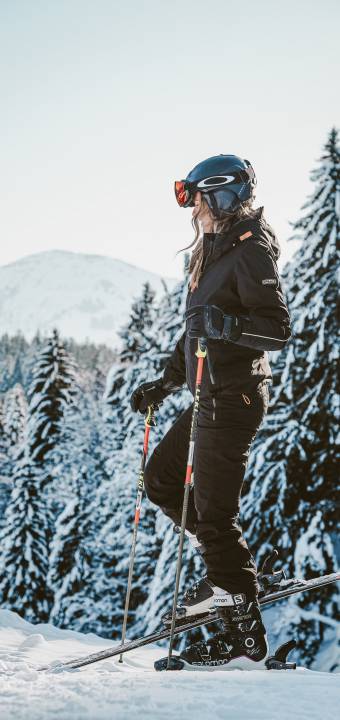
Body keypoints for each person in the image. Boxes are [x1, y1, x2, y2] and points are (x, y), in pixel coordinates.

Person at [130, 154, 291, 669]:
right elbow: (198, 330)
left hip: (236, 397)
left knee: (214, 516)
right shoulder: (214, 251)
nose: (193, 208)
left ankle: (243, 638)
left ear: (221, 195)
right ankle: (229, 574)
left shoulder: (250, 252)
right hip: (209, 394)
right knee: (160, 479)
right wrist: (165, 381)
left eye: (197, 197)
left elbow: (278, 328)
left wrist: (231, 328)